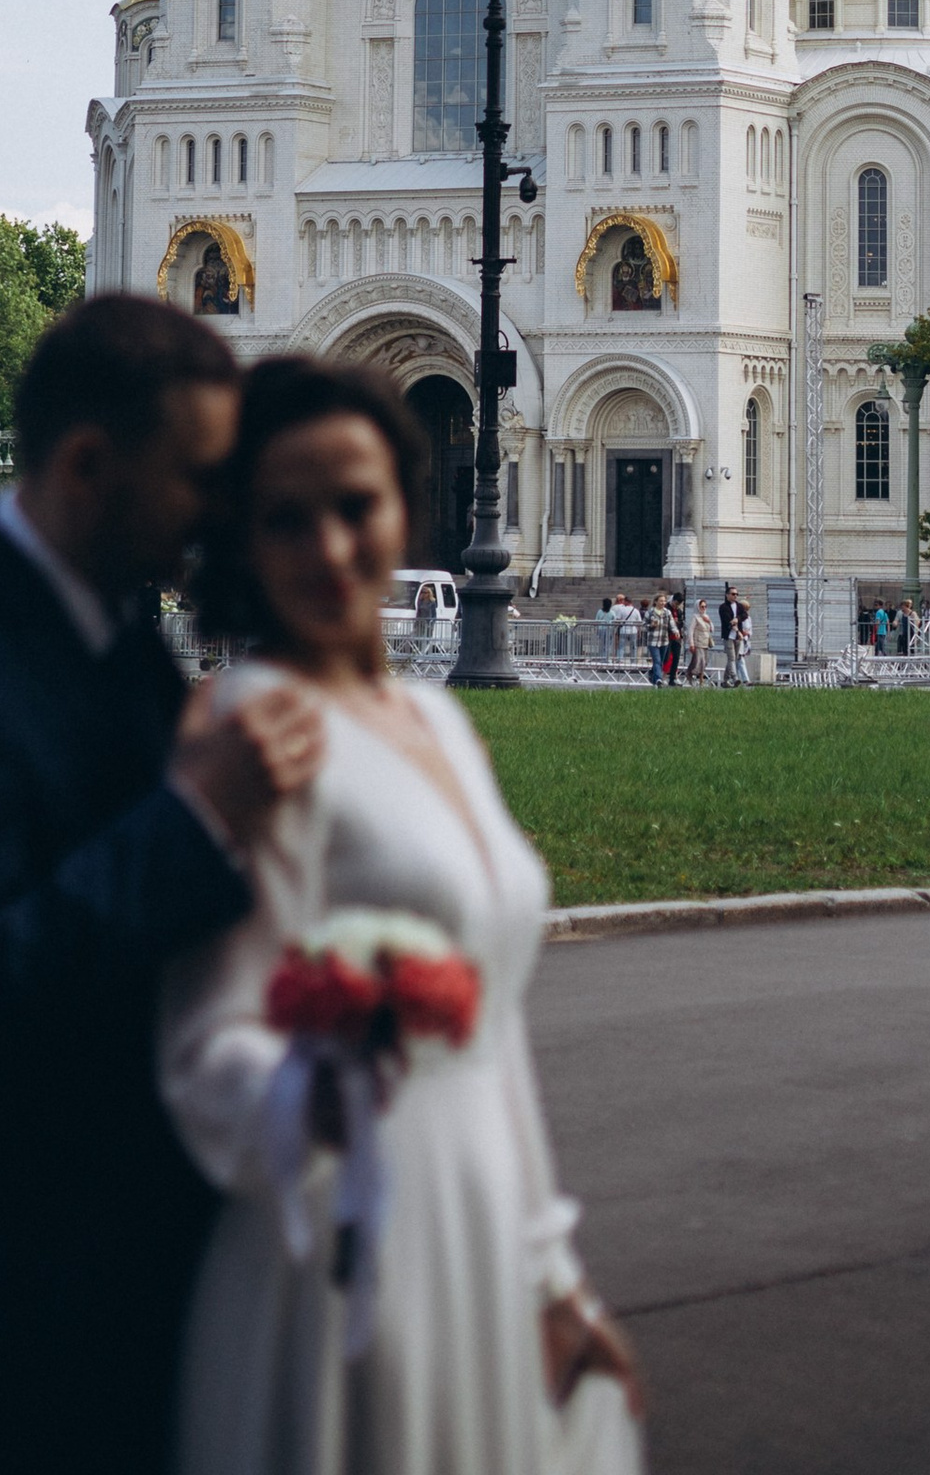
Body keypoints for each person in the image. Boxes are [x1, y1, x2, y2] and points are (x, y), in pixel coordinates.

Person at [0, 293, 324, 1475]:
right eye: (195, 477)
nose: (214, 511)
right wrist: (195, 815)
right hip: (18, 1296)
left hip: (151, 1265)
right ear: (88, 464)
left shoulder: (112, 622)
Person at [163, 357, 644, 1475]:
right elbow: (200, 1048)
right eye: (286, 519)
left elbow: (496, 1028)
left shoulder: (435, 718)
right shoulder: (250, 728)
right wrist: (320, 1078)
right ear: (239, 539)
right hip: (347, 1235)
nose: (331, 548)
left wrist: (551, 1278)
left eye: (356, 506)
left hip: (476, 1207)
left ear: (403, 508)